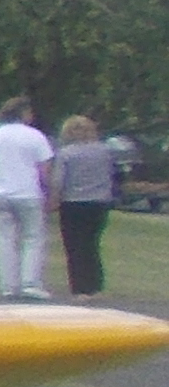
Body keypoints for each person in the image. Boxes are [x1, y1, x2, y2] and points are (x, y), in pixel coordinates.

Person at [0, 100, 58, 297]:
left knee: (4, 239)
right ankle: (30, 282)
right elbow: (45, 169)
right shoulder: (35, 136)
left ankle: (8, 285)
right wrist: (48, 192)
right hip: (28, 193)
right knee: (33, 238)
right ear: (23, 113)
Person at [53, 113, 120, 299]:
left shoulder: (66, 154)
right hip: (100, 202)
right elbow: (113, 175)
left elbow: (59, 180)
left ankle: (80, 288)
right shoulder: (105, 151)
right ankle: (96, 285)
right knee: (92, 244)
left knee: (75, 245)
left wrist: (53, 200)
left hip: (73, 202)